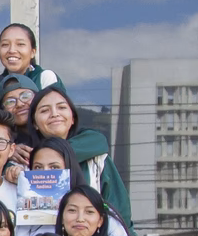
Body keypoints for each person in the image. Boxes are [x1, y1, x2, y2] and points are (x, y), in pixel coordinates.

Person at [32, 86, 130, 222]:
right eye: (44, 110)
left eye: (61, 107)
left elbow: (120, 213)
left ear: (72, 118)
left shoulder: (97, 160)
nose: (54, 114)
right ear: (34, 123)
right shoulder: (24, 161)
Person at [0, 22, 64, 93]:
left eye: (20, 44)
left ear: (33, 52)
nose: (12, 50)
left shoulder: (45, 78)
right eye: (5, 44)